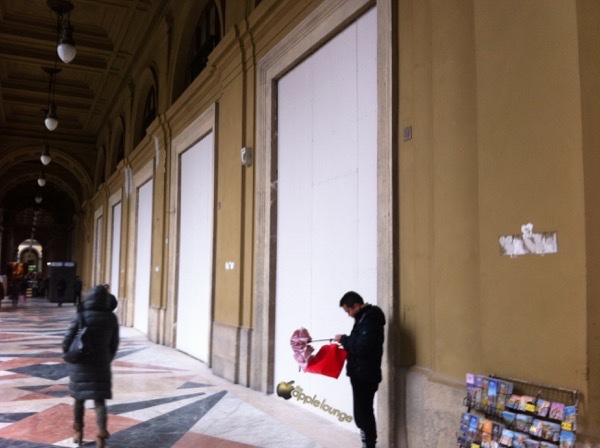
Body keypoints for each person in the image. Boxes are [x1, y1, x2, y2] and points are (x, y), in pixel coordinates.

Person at [62, 285, 119, 447]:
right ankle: (101, 433)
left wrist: (69, 353)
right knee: (99, 401)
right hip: (101, 364)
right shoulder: (111, 318)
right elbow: (114, 344)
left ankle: (78, 431)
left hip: (81, 363)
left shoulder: (81, 315)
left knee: (79, 400)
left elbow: (67, 339)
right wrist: (107, 359)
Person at [334, 291, 385, 448]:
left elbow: (361, 347)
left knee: (364, 412)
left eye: (348, 311)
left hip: (365, 374)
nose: (349, 315)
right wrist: (345, 340)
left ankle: (369, 444)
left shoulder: (370, 320)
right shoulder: (363, 318)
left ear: (356, 306)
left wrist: (344, 339)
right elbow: (358, 342)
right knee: (361, 412)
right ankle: (367, 441)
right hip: (360, 373)